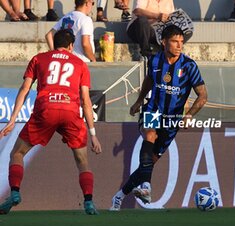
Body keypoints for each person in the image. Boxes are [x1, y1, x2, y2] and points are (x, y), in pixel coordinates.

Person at [0, 29, 102, 215]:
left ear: (54, 43)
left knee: (17, 153)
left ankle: (14, 192)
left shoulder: (39, 59)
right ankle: (88, 201)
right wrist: (93, 134)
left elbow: (24, 89)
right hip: (70, 112)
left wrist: (13, 119)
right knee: (82, 161)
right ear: (71, 46)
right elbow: (86, 100)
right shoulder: (80, 64)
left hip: (45, 109)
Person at [109, 25, 208, 211]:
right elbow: (149, 80)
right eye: (174, 41)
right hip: (153, 110)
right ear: (164, 42)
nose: (179, 46)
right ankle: (146, 187)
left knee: (149, 163)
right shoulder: (155, 61)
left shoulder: (189, 66)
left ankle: (119, 196)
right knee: (150, 134)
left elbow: (203, 95)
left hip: (173, 119)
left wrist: (189, 115)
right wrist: (139, 101)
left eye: (181, 42)